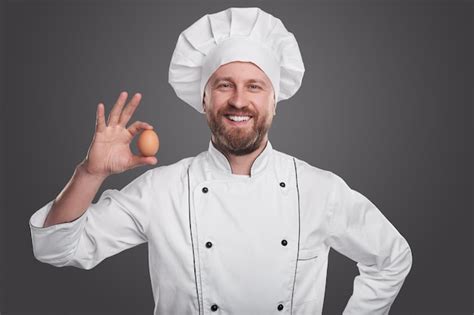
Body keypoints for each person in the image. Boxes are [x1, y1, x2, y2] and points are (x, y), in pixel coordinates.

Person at [29, 7, 412, 315]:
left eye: (255, 86)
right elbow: (57, 249)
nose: (239, 100)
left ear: (274, 102)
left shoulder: (319, 190)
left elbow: (392, 258)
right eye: (224, 85)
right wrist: (90, 173)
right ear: (204, 100)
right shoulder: (162, 190)